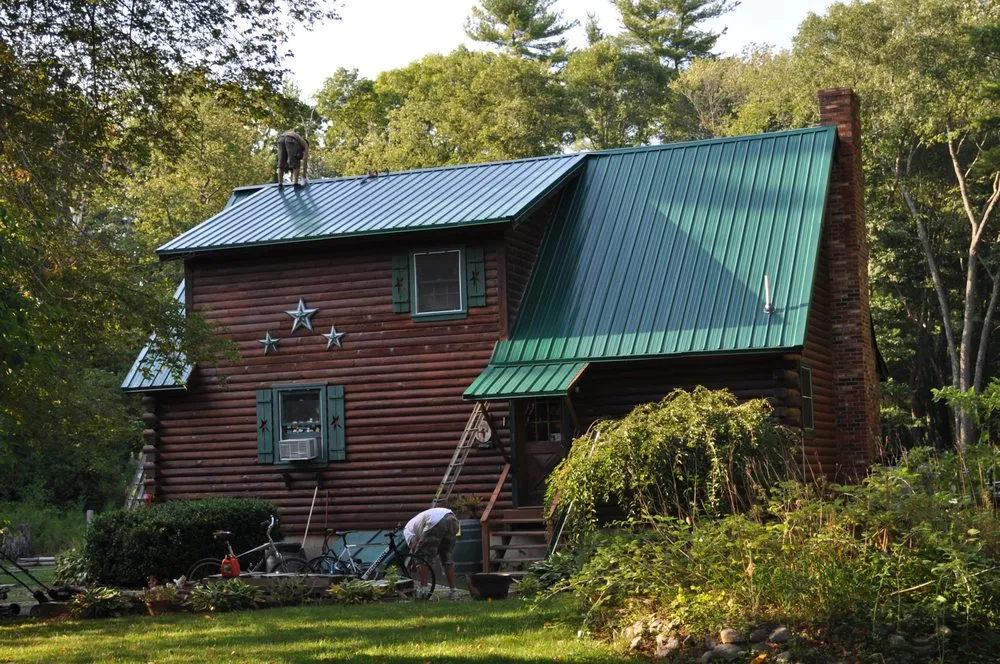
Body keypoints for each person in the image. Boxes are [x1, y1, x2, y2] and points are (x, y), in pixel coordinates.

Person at [403, 506, 460, 600]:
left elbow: (415, 544)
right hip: (452, 518)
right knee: (446, 556)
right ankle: (454, 592)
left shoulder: (407, 531)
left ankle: (424, 592)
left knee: (422, 558)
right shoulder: (416, 523)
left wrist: (414, 564)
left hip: (435, 521)